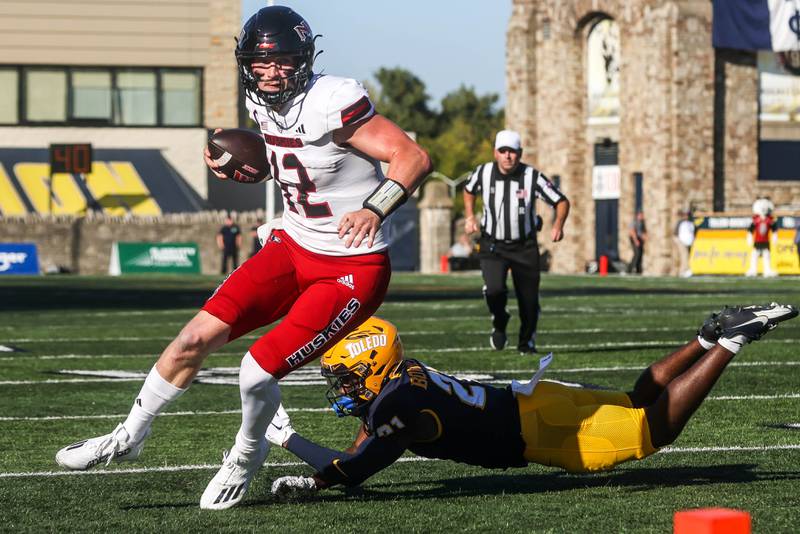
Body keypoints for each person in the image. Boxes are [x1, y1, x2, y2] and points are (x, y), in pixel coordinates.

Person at [54, 6, 431, 511]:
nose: (272, 72)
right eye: (262, 62)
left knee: (254, 372)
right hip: (293, 245)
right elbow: (300, 164)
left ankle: (245, 453)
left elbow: (412, 156)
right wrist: (255, 168)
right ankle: (127, 435)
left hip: (351, 267)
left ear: (304, 59)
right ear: (247, 63)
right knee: (191, 340)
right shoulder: (261, 106)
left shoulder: (332, 99)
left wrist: (374, 207)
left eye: (284, 62)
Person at [264, 304, 798, 497]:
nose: (341, 387)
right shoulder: (406, 376)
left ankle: (730, 341)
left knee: (652, 431)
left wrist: (287, 439)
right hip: (533, 400)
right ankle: (705, 336)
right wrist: (313, 481)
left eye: (347, 377)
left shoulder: (395, 406)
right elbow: (372, 433)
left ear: (373, 365)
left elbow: (356, 467)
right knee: (637, 398)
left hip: (540, 435)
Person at [463, 130, 569, 354]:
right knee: (493, 290)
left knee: (528, 300)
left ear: (520, 153)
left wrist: (558, 224)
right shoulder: (484, 172)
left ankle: (526, 343)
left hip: (524, 246)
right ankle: (499, 321)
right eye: (503, 151)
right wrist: (470, 216)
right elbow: (468, 190)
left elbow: (561, 201)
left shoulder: (532, 177)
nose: (507, 156)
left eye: (512, 151)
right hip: (493, 245)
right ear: (495, 153)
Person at [746, 198, 777, 277]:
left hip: (766, 241)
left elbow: (774, 230)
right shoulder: (756, 220)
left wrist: (774, 237)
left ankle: (767, 270)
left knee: (766, 256)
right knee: (754, 255)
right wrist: (749, 238)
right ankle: (753, 270)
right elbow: (750, 230)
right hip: (757, 241)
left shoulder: (769, 220)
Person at [674, 210, 695, 277]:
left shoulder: (691, 222)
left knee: (687, 256)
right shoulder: (681, 222)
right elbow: (676, 232)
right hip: (681, 241)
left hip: (688, 243)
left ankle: (685, 270)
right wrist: (679, 240)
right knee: (684, 256)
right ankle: (683, 271)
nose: (686, 216)